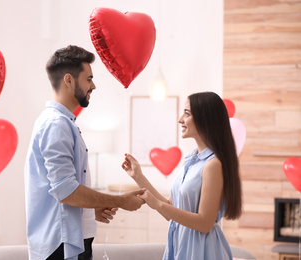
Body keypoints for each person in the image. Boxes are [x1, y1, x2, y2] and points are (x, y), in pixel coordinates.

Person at [24, 45, 145, 260]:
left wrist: (90, 210)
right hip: (61, 245)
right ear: (69, 80)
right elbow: (66, 191)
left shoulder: (63, 123)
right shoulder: (56, 125)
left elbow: (64, 191)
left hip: (69, 239)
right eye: (88, 79)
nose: (93, 85)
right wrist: (121, 201)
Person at [122, 91, 242, 260]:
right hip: (181, 244)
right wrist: (138, 177)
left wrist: (157, 204)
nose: (180, 119)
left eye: (187, 114)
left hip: (202, 249)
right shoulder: (191, 161)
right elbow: (169, 208)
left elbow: (205, 223)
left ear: (204, 118)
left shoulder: (213, 165)